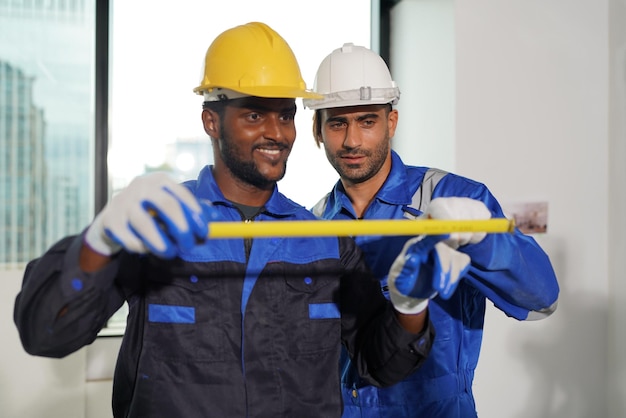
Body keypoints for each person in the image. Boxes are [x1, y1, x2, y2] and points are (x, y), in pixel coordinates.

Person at [11, 23, 465, 418]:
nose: (276, 132)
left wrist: (410, 304)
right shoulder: (156, 229)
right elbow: (46, 333)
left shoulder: (325, 241)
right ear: (211, 121)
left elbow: (378, 363)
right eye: (254, 114)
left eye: (285, 115)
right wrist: (98, 241)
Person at [303, 43, 560, 418]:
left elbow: (542, 299)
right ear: (318, 130)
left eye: (367, 121)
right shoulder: (312, 225)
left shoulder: (453, 200)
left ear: (391, 122)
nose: (353, 140)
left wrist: (484, 241)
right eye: (338, 123)